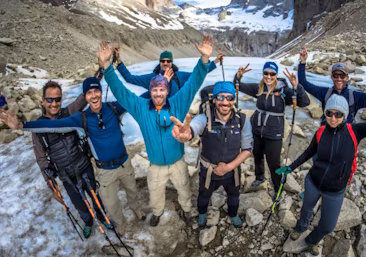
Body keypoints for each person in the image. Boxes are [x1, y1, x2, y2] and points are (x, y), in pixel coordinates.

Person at [275, 74, 366, 255]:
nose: (333, 117)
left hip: (335, 190)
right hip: (313, 182)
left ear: (345, 115)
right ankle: (300, 227)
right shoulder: (321, 131)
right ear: (325, 113)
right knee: (306, 210)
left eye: (338, 114)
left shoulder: (355, 131)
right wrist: (291, 167)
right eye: (329, 113)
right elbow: (309, 152)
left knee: (328, 226)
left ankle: (312, 240)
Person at [0, 77, 143, 236]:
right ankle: (88, 222)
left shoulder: (68, 112)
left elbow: (85, 97)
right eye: (49, 99)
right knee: (78, 203)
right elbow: (42, 156)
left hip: (83, 164)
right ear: (42, 101)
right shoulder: (43, 128)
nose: (54, 103)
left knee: (96, 195)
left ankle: (103, 217)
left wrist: (103, 69)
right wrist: (21, 125)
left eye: (57, 99)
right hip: (65, 173)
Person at [99, 36, 214, 227]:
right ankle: (158, 213)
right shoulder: (141, 108)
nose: (158, 93)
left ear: (167, 90)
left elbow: (194, 82)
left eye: (162, 89)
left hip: (177, 162)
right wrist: (107, 67)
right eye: (155, 90)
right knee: (155, 193)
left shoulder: (178, 103)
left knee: (184, 190)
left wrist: (204, 61)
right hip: (156, 165)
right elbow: (121, 91)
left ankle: (186, 211)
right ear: (150, 91)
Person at [171, 81, 253, 228]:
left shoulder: (242, 120)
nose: (225, 102)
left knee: (234, 196)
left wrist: (228, 167)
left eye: (229, 98)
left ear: (233, 100)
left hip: (232, 170)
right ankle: (202, 214)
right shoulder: (205, 118)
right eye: (220, 97)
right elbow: (194, 127)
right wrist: (187, 133)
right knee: (204, 195)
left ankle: (233, 215)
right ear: (214, 99)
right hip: (209, 170)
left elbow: (247, 149)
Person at [233, 61, 310, 193]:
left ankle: (277, 188)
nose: (268, 76)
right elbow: (237, 86)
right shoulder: (259, 88)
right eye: (266, 73)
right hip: (256, 130)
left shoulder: (284, 91)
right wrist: (238, 76)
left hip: (274, 133)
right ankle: (260, 177)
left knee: (273, 163)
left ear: (276, 75)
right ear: (263, 74)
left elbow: (304, 102)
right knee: (257, 155)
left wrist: (296, 86)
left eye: (272, 74)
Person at [297, 47, 366, 124]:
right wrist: (302, 62)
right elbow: (304, 84)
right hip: (326, 136)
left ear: (347, 78)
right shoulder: (324, 93)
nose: (339, 79)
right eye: (336, 75)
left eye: (342, 75)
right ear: (332, 77)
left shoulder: (356, 97)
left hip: (345, 139)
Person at [114, 45, 222, 98]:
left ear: (171, 62)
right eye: (163, 60)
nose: (165, 63)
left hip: (175, 115)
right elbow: (130, 78)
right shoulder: (152, 78)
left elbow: (197, 75)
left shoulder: (179, 76)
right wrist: (119, 61)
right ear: (160, 62)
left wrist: (215, 61)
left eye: (168, 60)